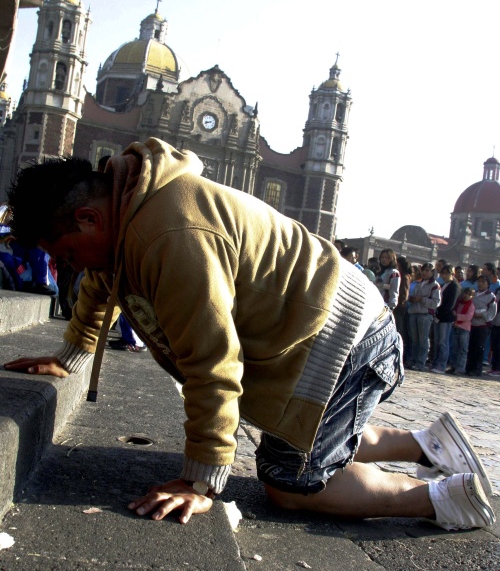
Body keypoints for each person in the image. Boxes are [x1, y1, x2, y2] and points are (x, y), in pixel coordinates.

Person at [4, 138, 495, 531]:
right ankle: (428, 445)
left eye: (66, 254)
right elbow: (99, 283)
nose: (71, 267)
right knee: (302, 432)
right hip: (312, 328)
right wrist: (71, 356)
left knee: (291, 482)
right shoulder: (126, 209)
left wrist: (200, 480)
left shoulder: (170, 234)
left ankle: (445, 499)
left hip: (344, 333)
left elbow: (211, 360)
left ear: (89, 218)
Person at [407, 263, 441, 371]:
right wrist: (412, 299)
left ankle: (420, 362)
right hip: (414, 311)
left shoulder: (435, 285)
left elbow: (436, 302)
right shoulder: (418, 283)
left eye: (427, 270)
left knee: (423, 340)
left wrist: (422, 299)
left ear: (432, 272)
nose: (424, 273)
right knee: (414, 339)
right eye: (423, 270)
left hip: (425, 314)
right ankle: (413, 360)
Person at [430, 265, 461, 374]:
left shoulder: (455, 286)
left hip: (446, 318)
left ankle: (441, 365)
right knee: (437, 341)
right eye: (443, 273)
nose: (444, 275)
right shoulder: (442, 285)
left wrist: (439, 316)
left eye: (447, 273)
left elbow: (450, 305)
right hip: (438, 316)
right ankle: (435, 363)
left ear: (452, 274)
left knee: (443, 342)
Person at [466, 275, 497, 377]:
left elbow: (492, 313)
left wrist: (482, 315)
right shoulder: (474, 294)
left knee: (479, 348)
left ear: (488, 284)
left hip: (482, 326)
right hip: (471, 324)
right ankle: (469, 367)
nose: (480, 284)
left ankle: (477, 369)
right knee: (471, 347)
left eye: (483, 282)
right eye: (479, 281)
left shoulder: (491, 296)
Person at [447, 288, 475, 375]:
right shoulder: (459, 303)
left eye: (469, 294)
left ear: (472, 296)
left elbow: (468, 317)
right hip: (456, 328)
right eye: (465, 293)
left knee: (462, 350)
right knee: (454, 349)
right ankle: (453, 366)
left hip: (464, 329)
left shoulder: (471, 305)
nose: (466, 295)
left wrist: (457, 316)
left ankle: (460, 368)